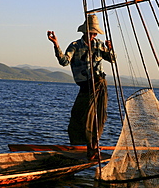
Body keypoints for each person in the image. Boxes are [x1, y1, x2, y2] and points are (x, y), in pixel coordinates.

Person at [47, 14, 115, 160]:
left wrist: (110, 49)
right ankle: (85, 146)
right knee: (77, 115)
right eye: (91, 33)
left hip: (98, 83)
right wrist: (56, 44)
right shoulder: (75, 46)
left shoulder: (99, 44)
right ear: (85, 32)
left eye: (95, 33)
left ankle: (93, 148)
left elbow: (113, 59)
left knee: (95, 117)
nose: (93, 36)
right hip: (85, 86)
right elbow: (64, 61)